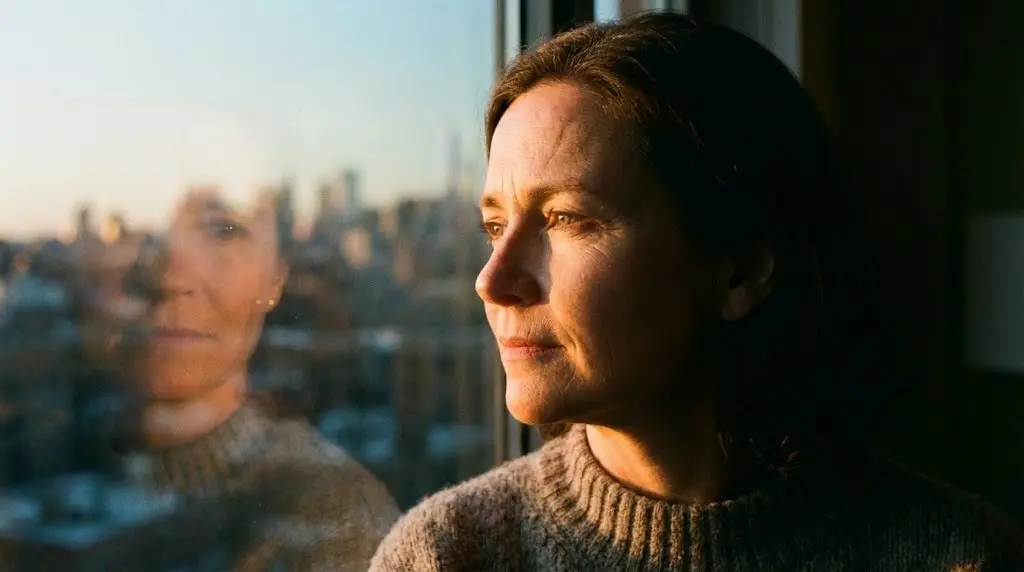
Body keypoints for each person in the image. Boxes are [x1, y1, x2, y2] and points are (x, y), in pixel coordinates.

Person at [370, 12, 1024, 571]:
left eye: (568, 219)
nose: (492, 281)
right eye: (493, 227)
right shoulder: (449, 554)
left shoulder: (953, 556)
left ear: (739, 272)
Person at [80, 187, 400, 571]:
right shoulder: (62, 469)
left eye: (223, 231)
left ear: (275, 278)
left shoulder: (335, 517)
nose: (170, 276)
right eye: (142, 239)